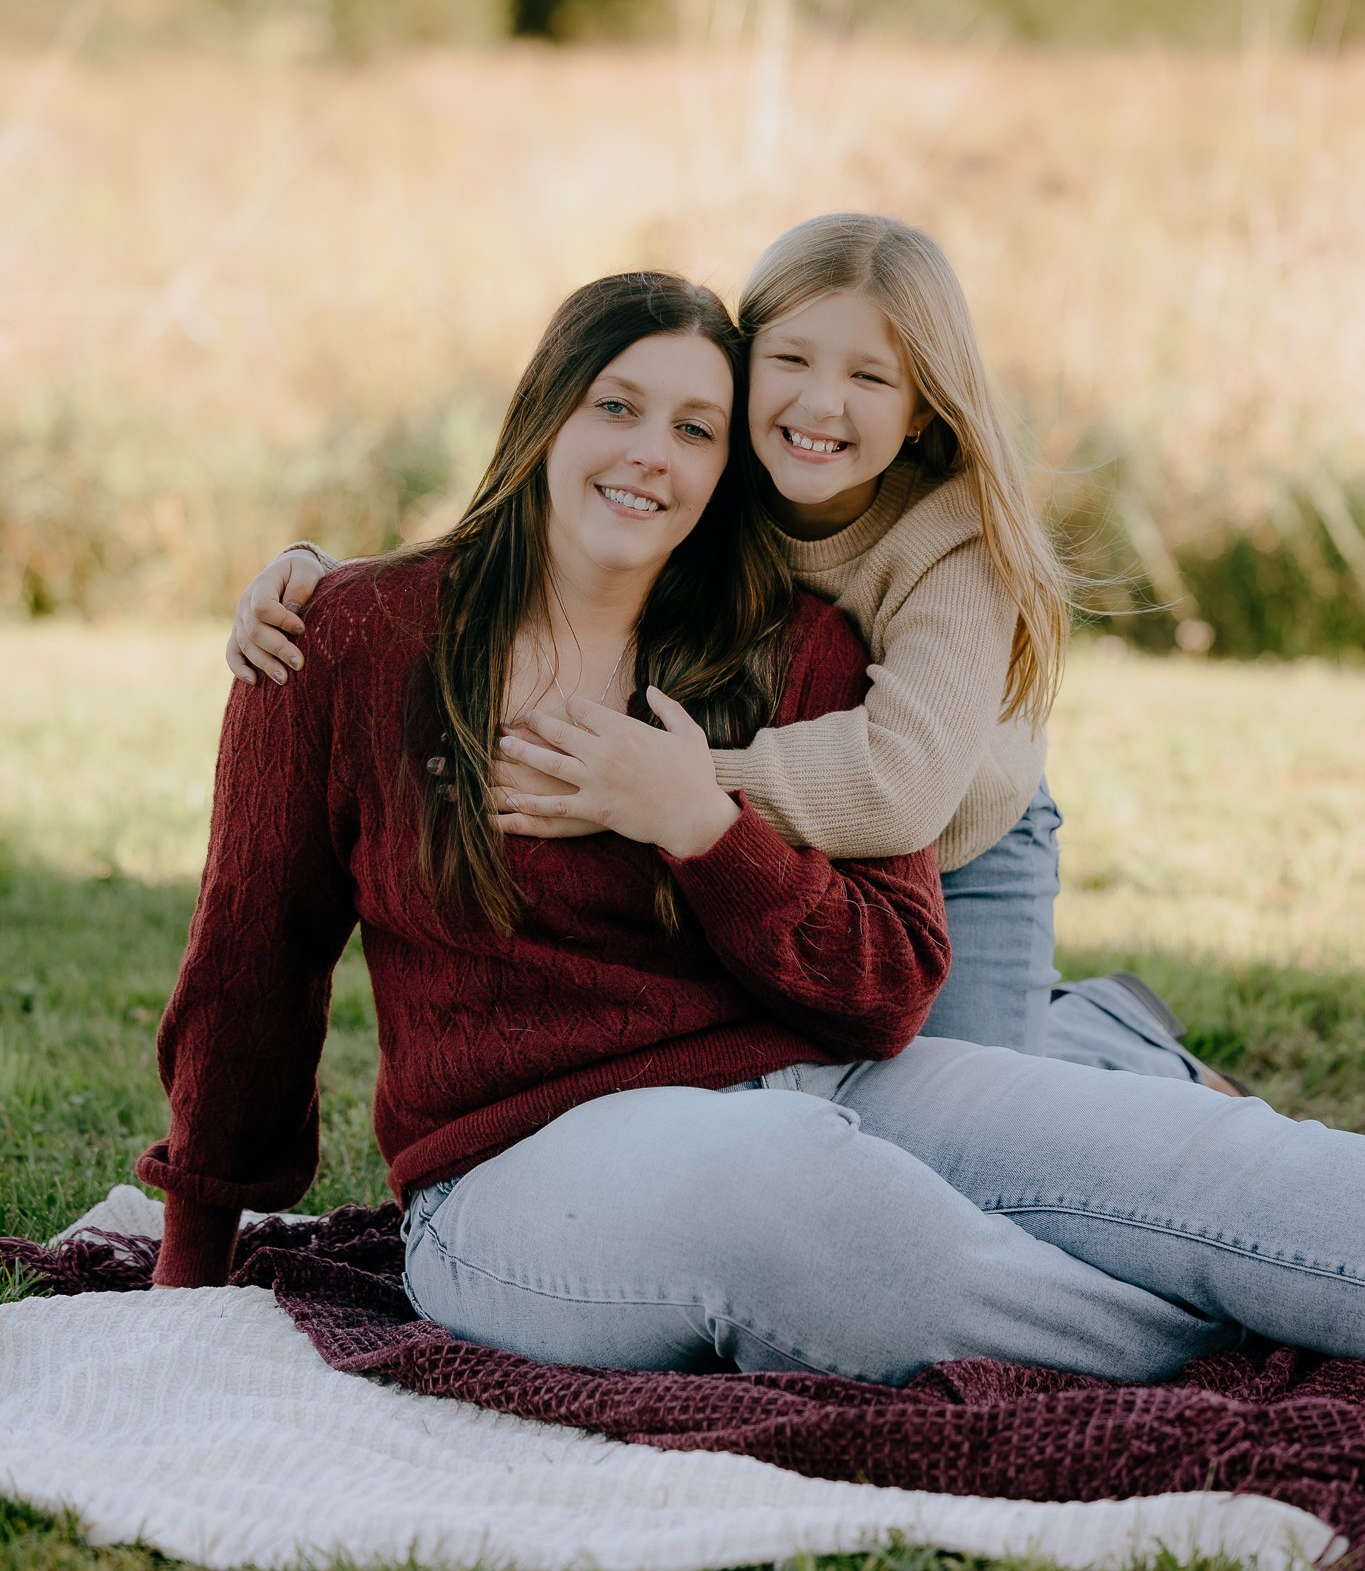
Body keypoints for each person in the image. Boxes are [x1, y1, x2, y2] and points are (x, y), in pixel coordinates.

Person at [141, 270, 1365, 1386]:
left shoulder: (796, 641)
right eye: (617, 407)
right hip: (520, 1173)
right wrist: (192, 1251)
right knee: (821, 1207)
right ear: (546, 416)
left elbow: (889, 986)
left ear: (730, 466)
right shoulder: (348, 637)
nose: (648, 455)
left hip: (831, 1075)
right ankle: (1233, 1358)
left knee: (1203, 1159)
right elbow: (252, 956)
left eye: (694, 429)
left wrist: (703, 827)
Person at [223, 215, 1234, 1090]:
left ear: (925, 404)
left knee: (991, 1112)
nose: (820, 404)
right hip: (788, 822)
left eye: (870, 376)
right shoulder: (724, 457)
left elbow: (899, 788)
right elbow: (541, 519)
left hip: (963, 830)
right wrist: (325, 573)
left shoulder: (956, 540)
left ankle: (1112, 1043)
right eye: (790, 360)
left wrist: (664, 783)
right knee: (866, 1102)